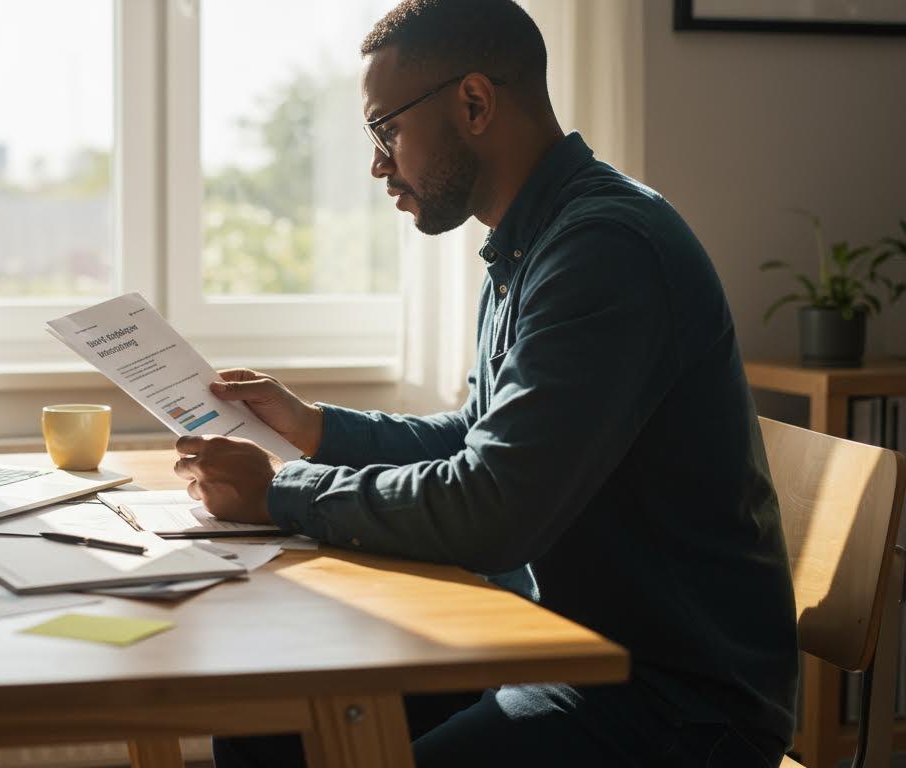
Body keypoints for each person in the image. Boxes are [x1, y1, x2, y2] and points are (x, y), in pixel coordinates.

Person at [174, 1, 799, 765]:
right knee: (266, 719)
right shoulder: (532, 245)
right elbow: (479, 438)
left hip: (672, 703)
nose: (377, 164)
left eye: (386, 131)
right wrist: (316, 429)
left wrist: (280, 493)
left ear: (474, 102)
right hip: (558, 650)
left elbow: (493, 506)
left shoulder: (606, 249)